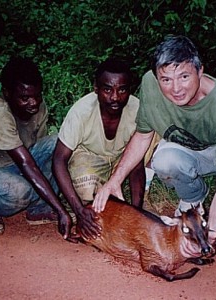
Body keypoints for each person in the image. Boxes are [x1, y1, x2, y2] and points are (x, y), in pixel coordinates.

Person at [94, 36, 216, 264]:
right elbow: (143, 134)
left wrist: (210, 237)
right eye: (166, 79)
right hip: (190, 151)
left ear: (200, 71)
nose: (175, 88)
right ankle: (192, 200)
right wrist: (114, 181)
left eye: (184, 77)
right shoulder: (150, 84)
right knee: (164, 159)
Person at [0, 57, 73, 240]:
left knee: (59, 144)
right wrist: (61, 210)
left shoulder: (39, 107)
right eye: (24, 98)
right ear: (7, 93)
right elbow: (28, 165)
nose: (33, 103)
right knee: (19, 192)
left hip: (16, 163)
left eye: (37, 95)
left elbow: (38, 154)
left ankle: (39, 209)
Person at [53, 58, 146, 240]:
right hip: (90, 156)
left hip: (122, 157)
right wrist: (79, 211)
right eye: (107, 89)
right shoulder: (81, 112)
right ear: (96, 88)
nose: (115, 97)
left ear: (130, 90)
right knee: (87, 190)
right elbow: (58, 159)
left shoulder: (137, 109)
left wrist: (137, 213)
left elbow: (136, 163)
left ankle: (115, 203)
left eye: (122, 90)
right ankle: (83, 205)